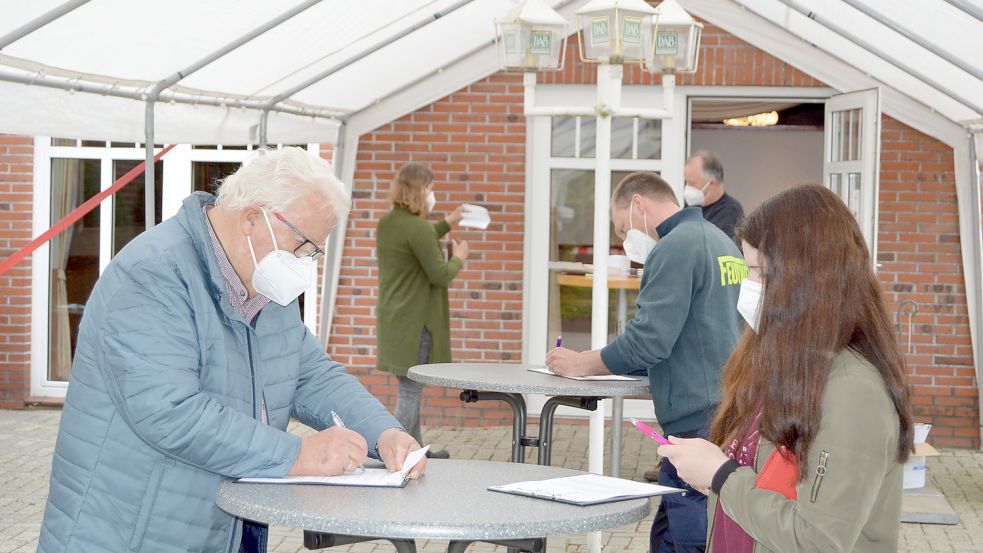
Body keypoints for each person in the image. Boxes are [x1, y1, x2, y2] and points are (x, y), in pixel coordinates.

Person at [38, 148, 425, 553]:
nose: (305, 261)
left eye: (315, 250)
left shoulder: (263, 283)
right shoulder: (152, 274)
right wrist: (297, 455)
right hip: (133, 532)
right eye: (303, 244)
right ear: (252, 218)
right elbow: (171, 412)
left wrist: (385, 432)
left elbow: (311, 374)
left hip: (223, 523)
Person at [658, 184, 914, 552]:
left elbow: (817, 539)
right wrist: (709, 469)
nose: (748, 287)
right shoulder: (783, 362)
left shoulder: (853, 391)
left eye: (759, 272)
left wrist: (720, 475)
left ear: (806, 280)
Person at [546, 171, 746, 553]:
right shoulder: (722, 243)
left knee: (689, 539)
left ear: (639, 205)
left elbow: (648, 341)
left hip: (696, 421)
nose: (625, 240)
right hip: (728, 408)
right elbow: (690, 334)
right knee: (670, 535)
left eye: (623, 228)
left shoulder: (674, 248)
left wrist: (582, 363)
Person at [376, 163, 469, 460]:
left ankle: (415, 453)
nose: (433, 194)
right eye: (430, 188)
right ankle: (388, 452)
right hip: (417, 323)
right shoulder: (415, 227)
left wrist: (447, 222)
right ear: (419, 190)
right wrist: (459, 259)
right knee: (410, 392)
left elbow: (421, 237)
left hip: (396, 318)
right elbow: (439, 274)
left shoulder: (390, 222)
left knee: (409, 387)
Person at [683, 150, 744, 240]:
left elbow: (708, 244)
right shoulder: (691, 206)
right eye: (686, 182)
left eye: (692, 183)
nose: (687, 187)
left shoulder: (730, 211)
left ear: (712, 183)